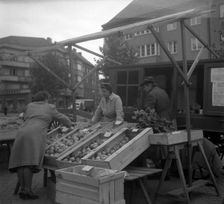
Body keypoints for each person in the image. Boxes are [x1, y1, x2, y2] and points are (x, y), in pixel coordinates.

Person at [8, 91, 72, 200]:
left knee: (21, 162)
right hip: (35, 134)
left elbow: (24, 117)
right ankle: (28, 191)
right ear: (46, 99)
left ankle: (23, 189)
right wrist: (70, 124)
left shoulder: (29, 106)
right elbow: (63, 119)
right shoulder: (50, 107)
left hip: (21, 133)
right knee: (29, 163)